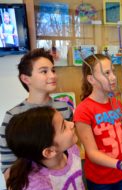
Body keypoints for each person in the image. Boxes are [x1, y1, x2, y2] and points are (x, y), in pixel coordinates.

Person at [73, 53, 122, 190]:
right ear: (91, 79)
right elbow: (92, 153)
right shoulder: (84, 110)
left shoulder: (117, 104)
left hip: (119, 173)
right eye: (107, 73)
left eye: (113, 71)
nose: (113, 77)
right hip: (100, 179)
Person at [0, 48, 73, 177]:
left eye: (53, 70)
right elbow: (8, 163)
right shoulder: (13, 116)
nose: (52, 75)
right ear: (26, 79)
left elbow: (70, 150)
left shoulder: (64, 108)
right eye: (44, 71)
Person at [5, 106, 87, 190]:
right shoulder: (36, 187)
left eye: (64, 120)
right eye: (64, 127)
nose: (72, 124)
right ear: (49, 152)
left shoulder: (73, 150)